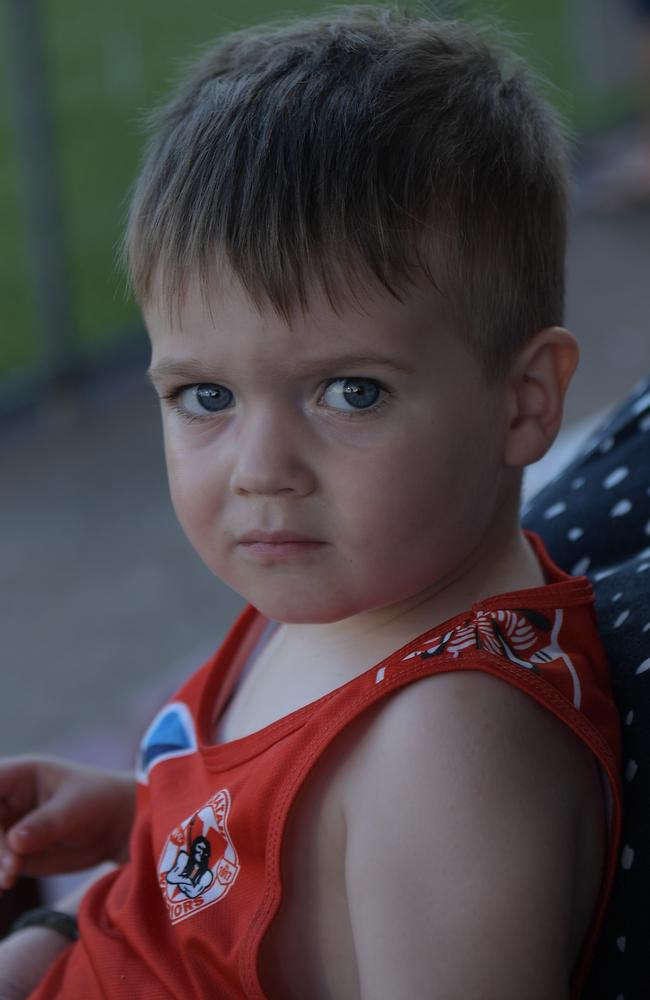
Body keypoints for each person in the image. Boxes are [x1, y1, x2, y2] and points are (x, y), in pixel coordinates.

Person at [0, 7, 622, 999]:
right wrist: (133, 814)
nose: (259, 466)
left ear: (524, 401)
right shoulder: (357, 586)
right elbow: (291, 859)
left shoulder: (448, 752)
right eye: (205, 397)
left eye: (350, 392)